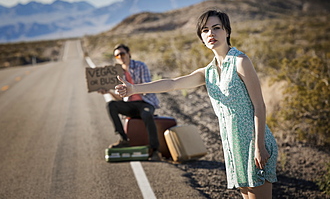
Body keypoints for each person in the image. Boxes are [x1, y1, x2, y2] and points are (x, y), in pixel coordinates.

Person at [115, 10, 278, 198]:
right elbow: (173, 83)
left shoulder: (240, 62)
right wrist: (134, 89)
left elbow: (259, 106)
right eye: (205, 30)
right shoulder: (207, 72)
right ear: (201, 37)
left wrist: (259, 146)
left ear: (227, 31)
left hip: (254, 142)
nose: (211, 34)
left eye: (216, 28)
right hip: (233, 144)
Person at [99, 44, 162, 161]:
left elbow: (148, 87)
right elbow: (121, 98)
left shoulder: (140, 66)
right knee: (111, 105)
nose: (120, 57)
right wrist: (109, 92)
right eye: (117, 56)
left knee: (147, 114)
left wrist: (133, 88)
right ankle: (124, 139)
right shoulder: (118, 73)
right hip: (130, 105)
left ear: (129, 54)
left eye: (122, 54)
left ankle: (155, 150)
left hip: (145, 102)